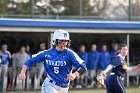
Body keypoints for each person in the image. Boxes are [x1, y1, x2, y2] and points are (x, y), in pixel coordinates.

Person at [19, 29, 87, 93]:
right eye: (61, 40)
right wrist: (22, 72)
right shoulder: (46, 53)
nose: (63, 43)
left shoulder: (70, 54)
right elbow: (29, 61)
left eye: (66, 41)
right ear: (55, 41)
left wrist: (75, 74)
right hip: (50, 85)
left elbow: (83, 67)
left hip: (64, 87)